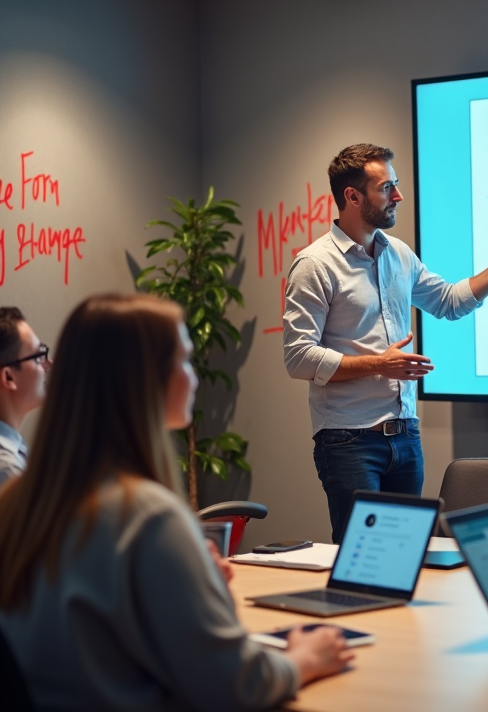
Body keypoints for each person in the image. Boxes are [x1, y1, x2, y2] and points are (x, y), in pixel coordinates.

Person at [0, 294, 352, 711]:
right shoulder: (147, 517)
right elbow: (234, 686)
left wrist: (191, 585)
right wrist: (304, 660)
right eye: (184, 361)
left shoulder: (16, 502)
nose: (196, 378)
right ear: (144, 380)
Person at [284, 143, 488, 542]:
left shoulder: (398, 254)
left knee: (406, 555)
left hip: (405, 437)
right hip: (348, 441)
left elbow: (449, 302)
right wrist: (378, 364)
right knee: (366, 560)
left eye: (395, 185)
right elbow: (298, 358)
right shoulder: (315, 265)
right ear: (352, 196)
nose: (397, 196)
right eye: (386, 188)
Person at [0, 307, 50, 489]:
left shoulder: (16, 447)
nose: (48, 364)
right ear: (8, 377)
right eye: (38, 357)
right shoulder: (7, 472)